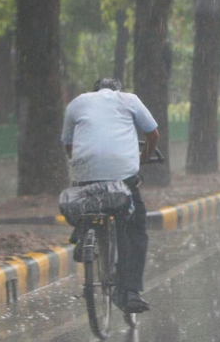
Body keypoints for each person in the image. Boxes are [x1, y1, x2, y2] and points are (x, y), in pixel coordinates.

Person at [61, 77, 159, 314]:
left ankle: (84, 230)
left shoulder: (77, 103)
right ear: (118, 90)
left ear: (94, 91)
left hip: (86, 176)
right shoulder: (129, 100)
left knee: (89, 200)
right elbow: (153, 134)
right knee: (134, 226)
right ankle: (130, 291)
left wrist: (84, 164)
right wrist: (143, 157)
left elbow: (68, 144)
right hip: (121, 178)